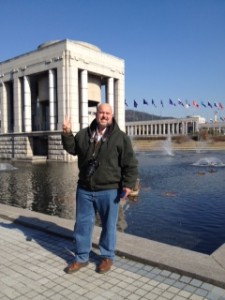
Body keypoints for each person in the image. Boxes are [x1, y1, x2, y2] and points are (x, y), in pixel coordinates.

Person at [61, 103, 138, 274]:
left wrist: (128, 184)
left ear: (112, 115)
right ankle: (81, 257)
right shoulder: (84, 134)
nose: (104, 116)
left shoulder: (121, 138)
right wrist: (66, 133)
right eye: (101, 112)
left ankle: (106, 257)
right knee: (82, 225)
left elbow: (130, 164)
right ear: (96, 115)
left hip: (109, 190)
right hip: (85, 190)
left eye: (107, 113)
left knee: (109, 226)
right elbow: (72, 149)